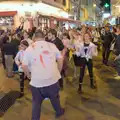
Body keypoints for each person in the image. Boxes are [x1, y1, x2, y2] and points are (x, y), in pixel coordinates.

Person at [22, 30, 65, 120]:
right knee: (55, 98)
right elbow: (60, 60)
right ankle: (59, 112)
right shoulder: (52, 46)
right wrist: (58, 71)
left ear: (34, 37)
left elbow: (24, 65)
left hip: (36, 82)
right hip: (52, 80)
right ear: (44, 36)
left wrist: (28, 75)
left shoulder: (29, 49)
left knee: (36, 103)